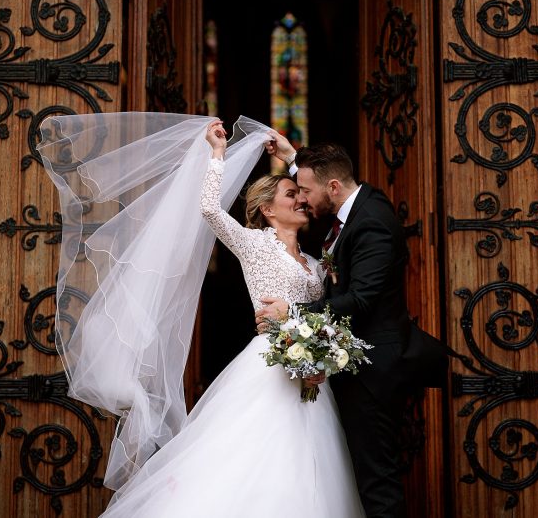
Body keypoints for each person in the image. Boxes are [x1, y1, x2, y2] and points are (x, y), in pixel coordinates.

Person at [39, 114, 364, 517]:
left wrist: (321, 360)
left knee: (313, 464)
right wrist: (217, 153)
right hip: (268, 369)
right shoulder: (253, 245)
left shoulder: (318, 265)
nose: (301, 199)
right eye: (290, 194)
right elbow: (210, 209)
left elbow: (334, 205)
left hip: (311, 379)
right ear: (266, 210)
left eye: (302, 194)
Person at [259, 134, 422, 518]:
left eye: (305, 190)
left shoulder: (372, 224)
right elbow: (323, 176)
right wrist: (294, 158)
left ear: (332, 187)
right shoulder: (359, 203)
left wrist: (292, 311)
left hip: (374, 372)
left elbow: (361, 300)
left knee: (377, 482)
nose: (303, 198)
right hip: (356, 368)